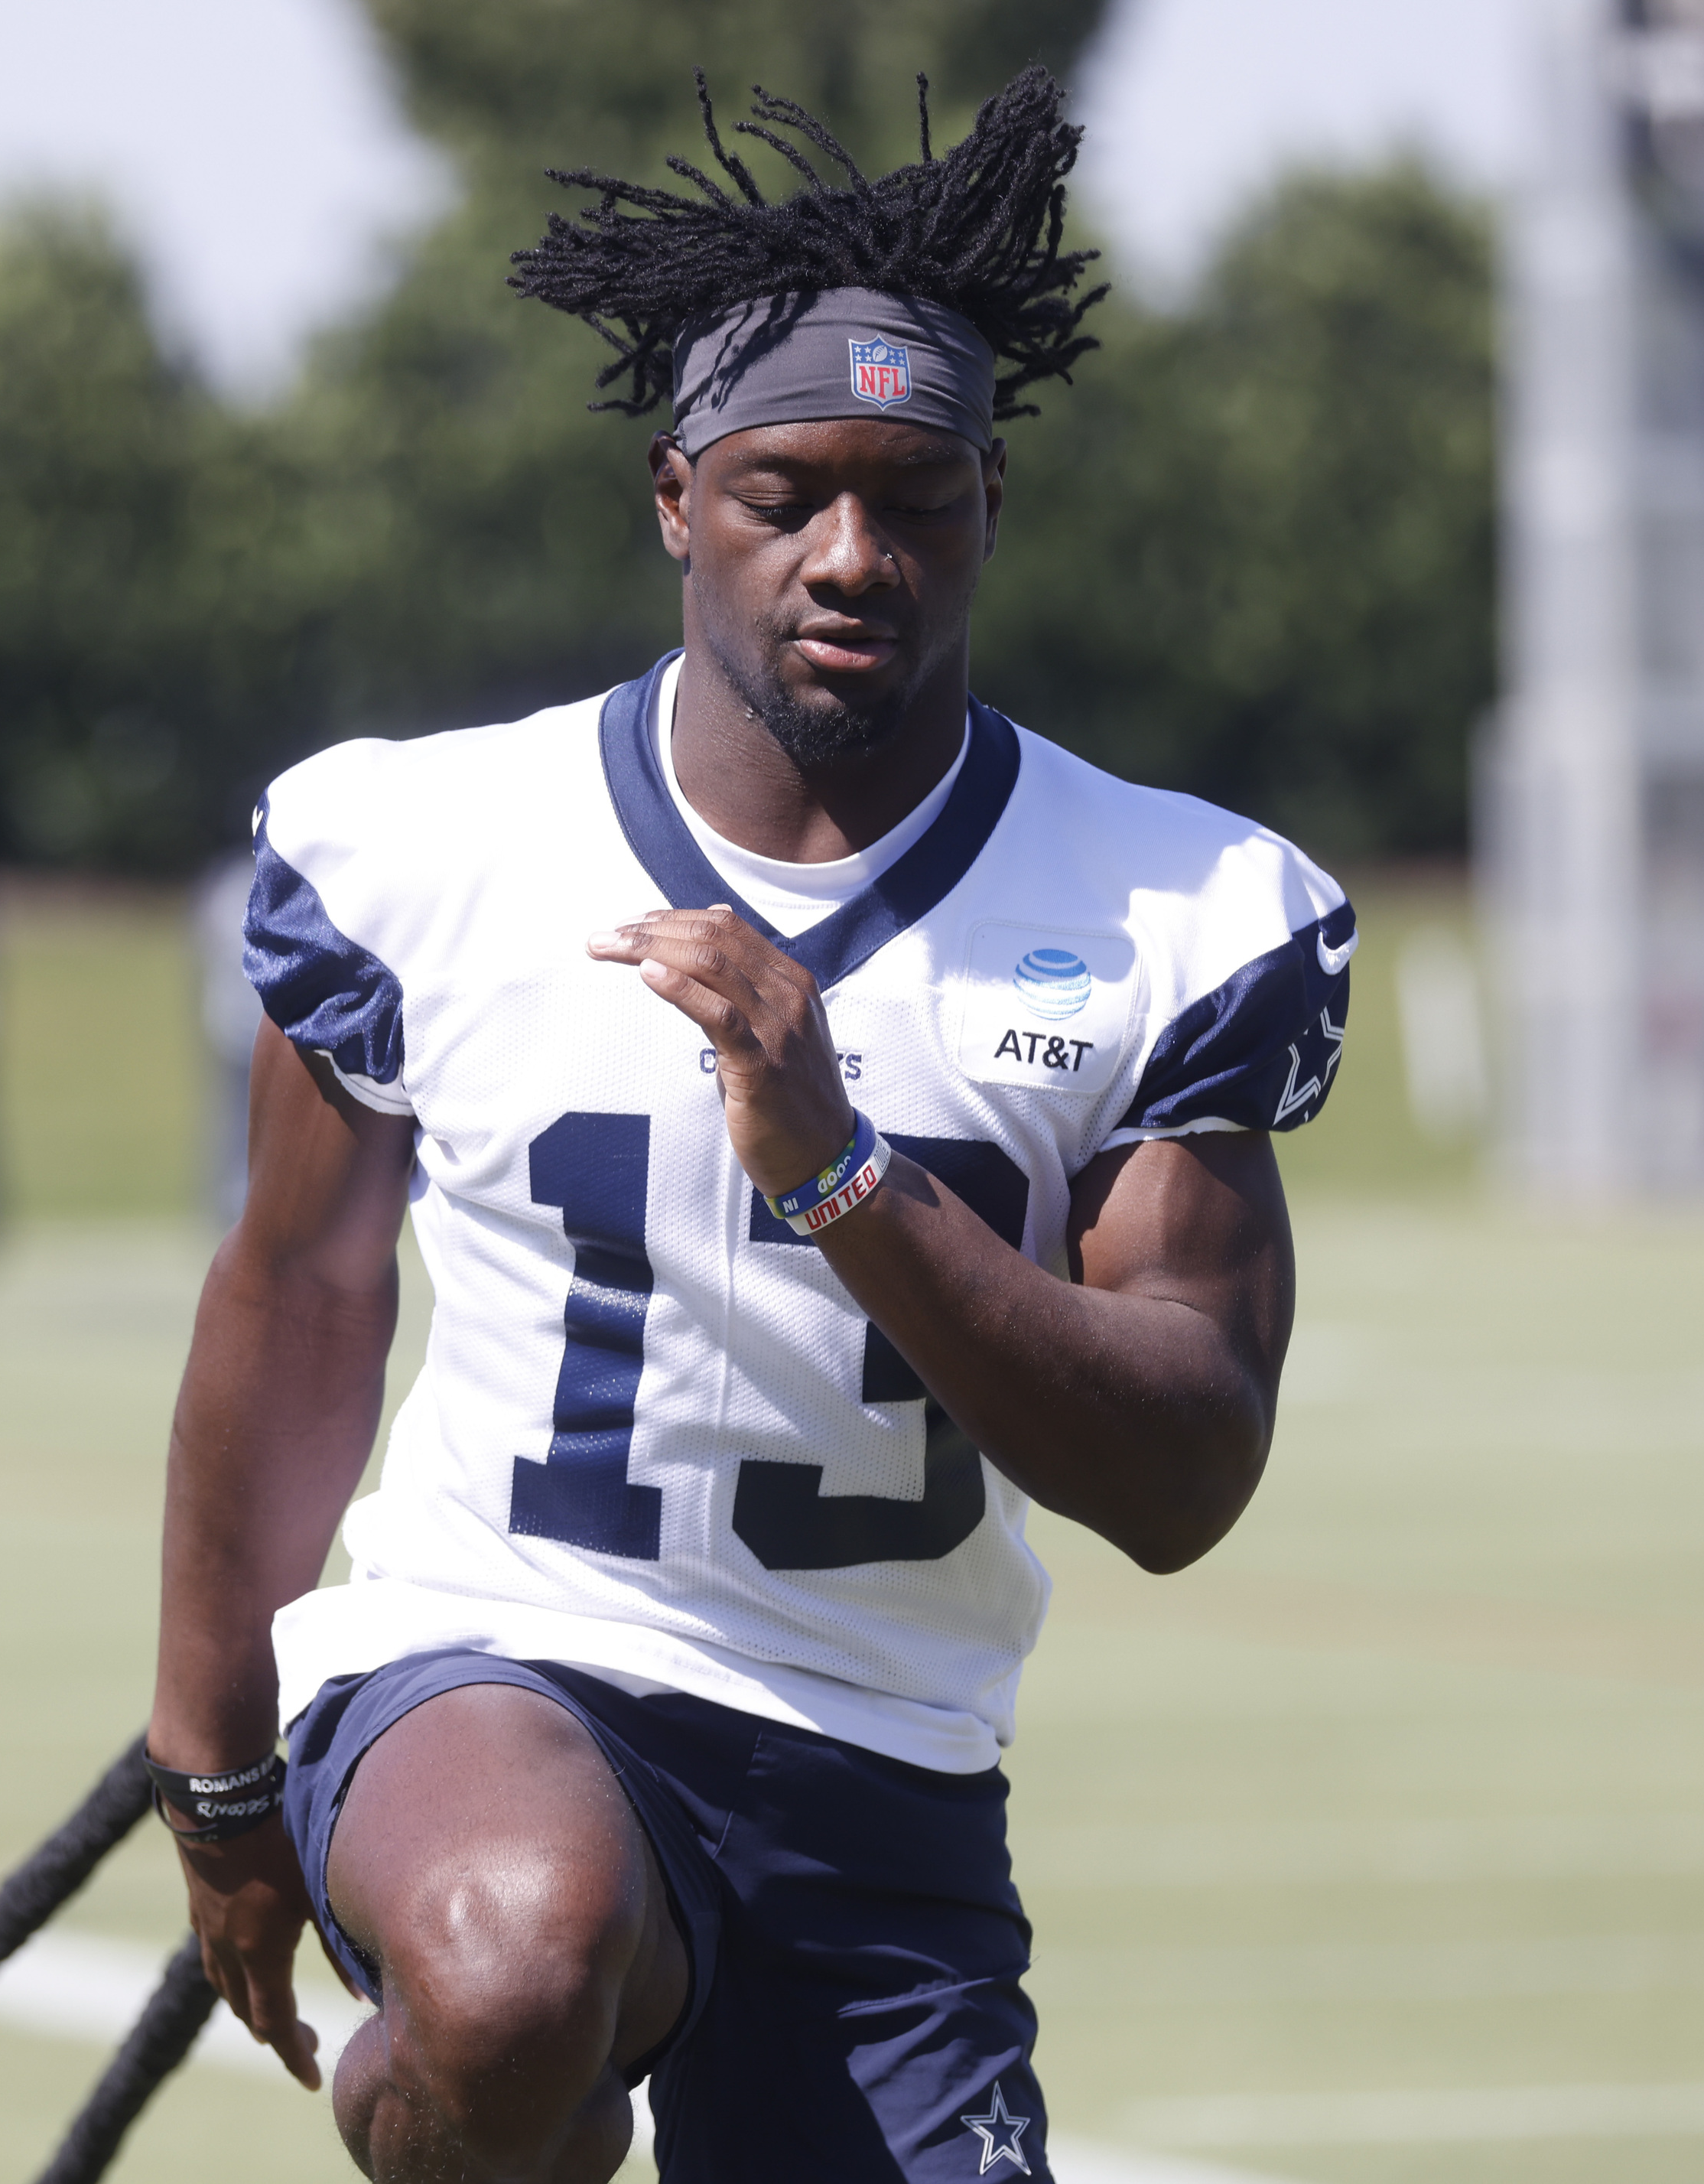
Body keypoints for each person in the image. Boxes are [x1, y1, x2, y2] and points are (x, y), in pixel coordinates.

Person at [149, 69, 1352, 2184]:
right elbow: (303, 1300)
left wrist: (842, 1172)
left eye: (922, 500)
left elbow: (1183, 1471)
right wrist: (218, 1774)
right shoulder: (428, 841)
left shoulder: (1179, 910)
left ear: (998, 504)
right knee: (520, 1966)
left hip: (886, 1767)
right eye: (789, 492)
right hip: (503, 1673)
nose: (854, 556)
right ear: (674, 492)